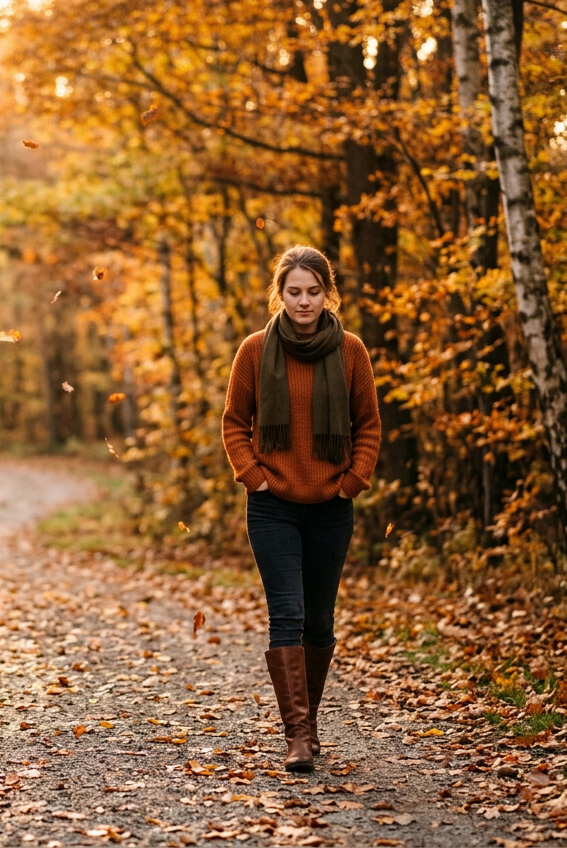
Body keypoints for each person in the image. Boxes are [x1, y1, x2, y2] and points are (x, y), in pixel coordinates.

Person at [222, 245, 381, 772]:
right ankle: (298, 735)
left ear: (327, 293)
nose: (304, 301)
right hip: (272, 507)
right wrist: (253, 477)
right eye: (294, 292)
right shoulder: (253, 349)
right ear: (280, 294)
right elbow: (233, 423)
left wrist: (352, 481)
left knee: (320, 620)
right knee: (286, 615)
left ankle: (307, 723)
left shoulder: (351, 350)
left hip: (331, 506)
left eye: (314, 292)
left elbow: (369, 425)